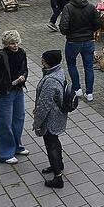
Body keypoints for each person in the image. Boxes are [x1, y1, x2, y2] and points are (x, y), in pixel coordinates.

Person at [0, 30, 28, 164]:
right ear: (6, 44)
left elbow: (25, 69)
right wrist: (2, 87)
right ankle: (6, 153)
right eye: (12, 43)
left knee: (19, 119)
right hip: (5, 93)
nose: (15, 46)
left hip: (18, 90)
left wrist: (24, 77)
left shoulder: (22, 53)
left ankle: (16, 146)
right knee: (4, 123)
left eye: (16, 43)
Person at [59, 0, 101, 102]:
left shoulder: (68, 7)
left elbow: (63, 27)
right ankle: (89, 93)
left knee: (72, 64)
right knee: (88, 67)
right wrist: (90, 31)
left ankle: (77, 89)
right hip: (88, 41)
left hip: (73, 41)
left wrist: (68, 32)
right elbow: (98, 23)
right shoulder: (91, 7)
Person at [33, 50, 68, 189]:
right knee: (55, 140)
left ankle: (58, 177)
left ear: (46, 62)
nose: (41, 61)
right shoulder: (59, 72)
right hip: (59, 115)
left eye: (43, 60)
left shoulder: (50, 81)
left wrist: (37, 123)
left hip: (51, 118)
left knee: (51, 144)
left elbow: (44, 106)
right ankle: (58, 164)